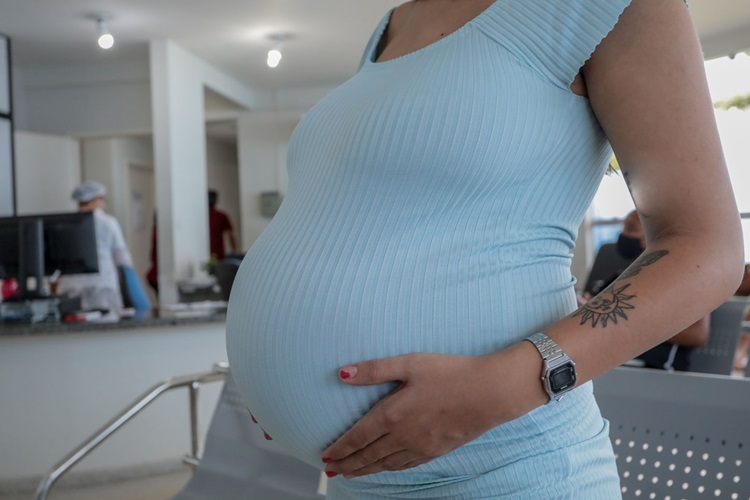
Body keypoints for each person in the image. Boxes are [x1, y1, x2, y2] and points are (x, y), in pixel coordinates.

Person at [225, 0, 744, 497]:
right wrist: (286, 389)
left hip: (507, 474)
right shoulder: (393, 26)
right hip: (359, 479)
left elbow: (707, 250)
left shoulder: (611, 5)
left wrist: (504, 385)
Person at [582, 210, 709, 371]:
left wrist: (627, 321)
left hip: (655, 370)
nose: (625, 235)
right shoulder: (619, 277)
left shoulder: (684, 276)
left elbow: (698, 335)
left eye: (633, 229)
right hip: (613, 363)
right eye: (625, 228)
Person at [57, 181, 136, 319]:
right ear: (94, 199)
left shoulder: (65, 222)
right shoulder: (108, 222)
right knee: (105, 327)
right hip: (102, 287)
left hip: (71, 288)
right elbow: (122, 258)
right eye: (101, 199)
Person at [208, 189, 237, 261]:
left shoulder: (200, 217)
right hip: (219, 253)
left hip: (203, 252)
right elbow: (230, 235)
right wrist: (234, 251)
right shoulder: (221, 216)